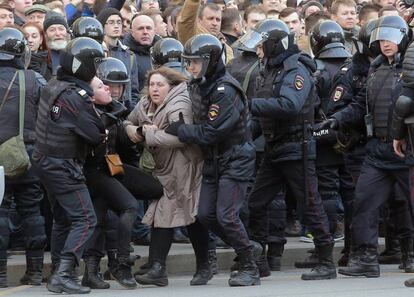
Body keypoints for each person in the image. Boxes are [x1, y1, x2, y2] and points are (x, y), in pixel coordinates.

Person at [239, 19, 336, 281]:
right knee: (256, 202)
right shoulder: (268, 69)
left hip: (296, 148)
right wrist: (244, 138)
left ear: (273, 45)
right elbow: (263, 117)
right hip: (275, 147)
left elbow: (289, 105)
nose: (257, 50)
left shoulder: (296, 70)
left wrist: (250, 105)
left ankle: (326, 261)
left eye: (261, 45)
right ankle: (259, 259)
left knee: (311, 203)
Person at [164, 34, 260, 287]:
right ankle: (247, 247)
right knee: (205, 214)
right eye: (188, 62)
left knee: (227, 215)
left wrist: (180, 130)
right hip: (214, 159)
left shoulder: (224, 89)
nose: (191, 67)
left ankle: (249, 265)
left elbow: (212, 131)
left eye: (195, 62)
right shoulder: (200, 84)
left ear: (210, 61)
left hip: (235, 156)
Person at [323, 15, 414, 278]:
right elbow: (361, 105)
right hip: (377, 150)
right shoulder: (375, 67)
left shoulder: (410, 68)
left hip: (406, 150)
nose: (386, 44)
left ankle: (409, 255)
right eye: (382, 38)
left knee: (407, 206)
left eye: (392, 38)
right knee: (364, 202)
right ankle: (366, 258)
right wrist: (336, 119)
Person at [124, 66, 210, 286]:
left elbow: (183, 136)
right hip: (162, 169)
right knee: (163, 214)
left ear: (170, 87)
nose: (154, 89)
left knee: (190, 217)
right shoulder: (144, 103)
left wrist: (148, 135)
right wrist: (133, 131)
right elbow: (128, 121)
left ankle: (204, 266)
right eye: (152, 84)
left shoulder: (179, 103)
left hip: (186, 166)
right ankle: (158, 268)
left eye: (160, 84)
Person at [33, 37, 105, 294]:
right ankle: (64, 273)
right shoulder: (76, 96)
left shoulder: (55, 85)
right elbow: (95, 135)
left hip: (46, 162)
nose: (97, 71)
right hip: (62, 165)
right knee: (86, 219)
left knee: (63, 219)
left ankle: (57, 274)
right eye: (95, 65)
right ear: (84, 66)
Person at [82, 66, 163, 289]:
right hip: (94, 170)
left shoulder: (116, 109)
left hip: (113, 165)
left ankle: (92, 270)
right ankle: (120, 263)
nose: (113, 89)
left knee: (154, 190)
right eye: (105, 85)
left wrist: (138, 132)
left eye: (118, 85)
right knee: (127, 207)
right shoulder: (87, 111)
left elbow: (123, 144)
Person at [0, 27, 46, 288]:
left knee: (1, 215)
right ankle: (36, 270)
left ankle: (1, 276)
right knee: (32, 213)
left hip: (0, 157)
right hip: (30, 154)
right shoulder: (35, 79)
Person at [97, 7, 140, 110]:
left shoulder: (130, 55)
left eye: (119, 22)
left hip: (125, 111)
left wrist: (130, 111)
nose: (116, 26)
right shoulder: (97, 53)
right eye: (111, 22)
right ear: (102, 25)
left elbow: (133, 90)